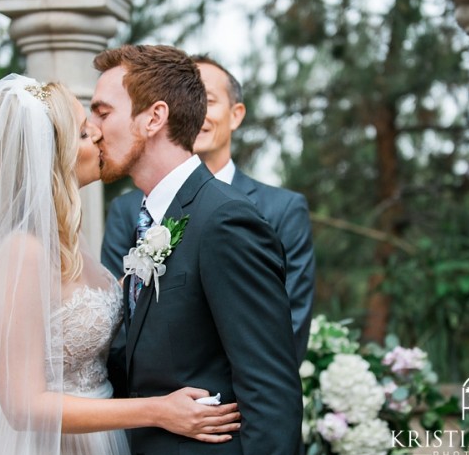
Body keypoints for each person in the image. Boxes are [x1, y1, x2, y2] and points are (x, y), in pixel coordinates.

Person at [0, 74, 240, 455]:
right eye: (82, 133)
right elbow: (22, 406)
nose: (98, 137)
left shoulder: (67, 240)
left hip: (100, 444)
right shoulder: (22, 251)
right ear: (51, 155)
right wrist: (158, 410)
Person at [90, 44, 304, 455]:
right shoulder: (152, 218)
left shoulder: (225, 220)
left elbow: (271, 388)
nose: (92, 129)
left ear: (154, 118)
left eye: (102, 112)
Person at [102, 54, 315, 366]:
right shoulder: (129, 209)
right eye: (189, 100)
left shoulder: (282, 210)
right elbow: (114, 316)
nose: (197, 111)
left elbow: (289, 329)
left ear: (236, 114)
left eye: (208, 100)